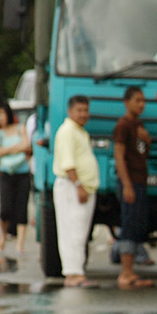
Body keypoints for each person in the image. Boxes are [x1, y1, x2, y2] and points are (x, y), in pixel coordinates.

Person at [52, 95, 100, 288]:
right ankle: (73, 273)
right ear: (70, 111)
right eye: (79, 110)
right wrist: (78, 184)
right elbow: (67, 162)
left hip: (82, 188)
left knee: (80, 231)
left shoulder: (80, 132)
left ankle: (76, 271)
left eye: (86, 110)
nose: (83, 114)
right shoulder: (67, 131)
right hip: (71, 187)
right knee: (72, 231)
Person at [113, 86, 154, 289]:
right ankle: (125, 272)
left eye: (143, 101)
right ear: (126, 102)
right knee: (128, 225)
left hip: (139, 180)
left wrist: (147, 141)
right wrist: (127, 184)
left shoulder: (138, 125)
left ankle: (131, 270)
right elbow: (119, 156)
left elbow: (142, 153)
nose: (142, 104)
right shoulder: (123, 125)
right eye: (137, 100)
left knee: (137, 224)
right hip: (129, 181)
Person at [0, 102, 31, 254]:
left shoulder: (21, 128)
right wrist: (16, 148)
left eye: (2, 114)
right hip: (6, 173)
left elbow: (26, 145)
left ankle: (20, 244)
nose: (0, 118)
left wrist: (6, 150)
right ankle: (3, 237)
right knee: (5, 208)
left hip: (23, 173)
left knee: (22, 208)